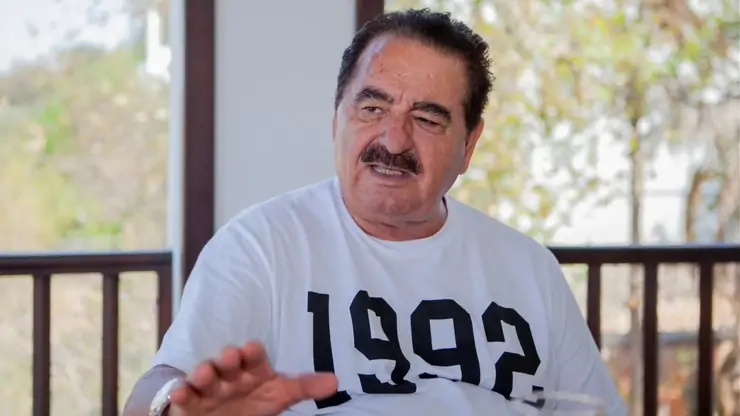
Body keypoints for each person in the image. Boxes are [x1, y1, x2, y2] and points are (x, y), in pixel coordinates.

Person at [123, 8, 626, 416]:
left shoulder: (528, 268)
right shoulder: (261, 246)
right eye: (372, 108)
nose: (394, 140)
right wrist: (177, 408)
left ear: (469, 145)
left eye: (427, 119)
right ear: (336, 120)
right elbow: (153, 391)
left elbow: (594, 407)